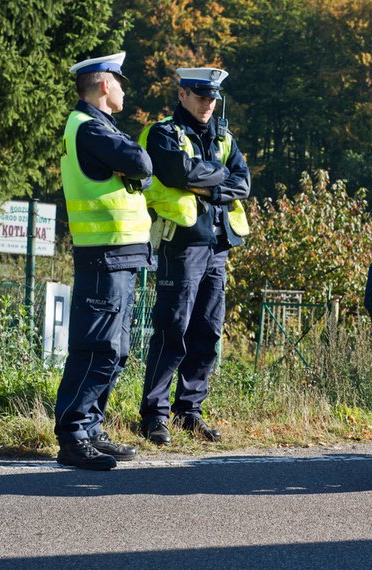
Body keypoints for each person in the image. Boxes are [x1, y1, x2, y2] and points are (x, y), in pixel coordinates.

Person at [138, 67, 251, 444]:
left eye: (213, 99)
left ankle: (189, 412)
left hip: (218, 246)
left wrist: (207, 184)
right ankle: (154, 416)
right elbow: (178, 174)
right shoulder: (163, 134)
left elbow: (243, 182)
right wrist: (219, 178)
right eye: (201, 97)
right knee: (172, 329)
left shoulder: (224, 137)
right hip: (182, 244)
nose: (208, 105)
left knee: (207, 332)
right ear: (182, 94)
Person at [54, 52, 153, 470]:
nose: (125, 91)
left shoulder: (98, 127)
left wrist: (135, 169)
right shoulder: (90, 128)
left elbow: (140, 170)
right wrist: (134, 168)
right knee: (96, 349)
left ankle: (91, 428)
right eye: (121, 83)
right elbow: (142, 163)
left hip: (120, 255)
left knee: (115, 351)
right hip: (104, 256)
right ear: (105, 84)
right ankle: (74, 436)